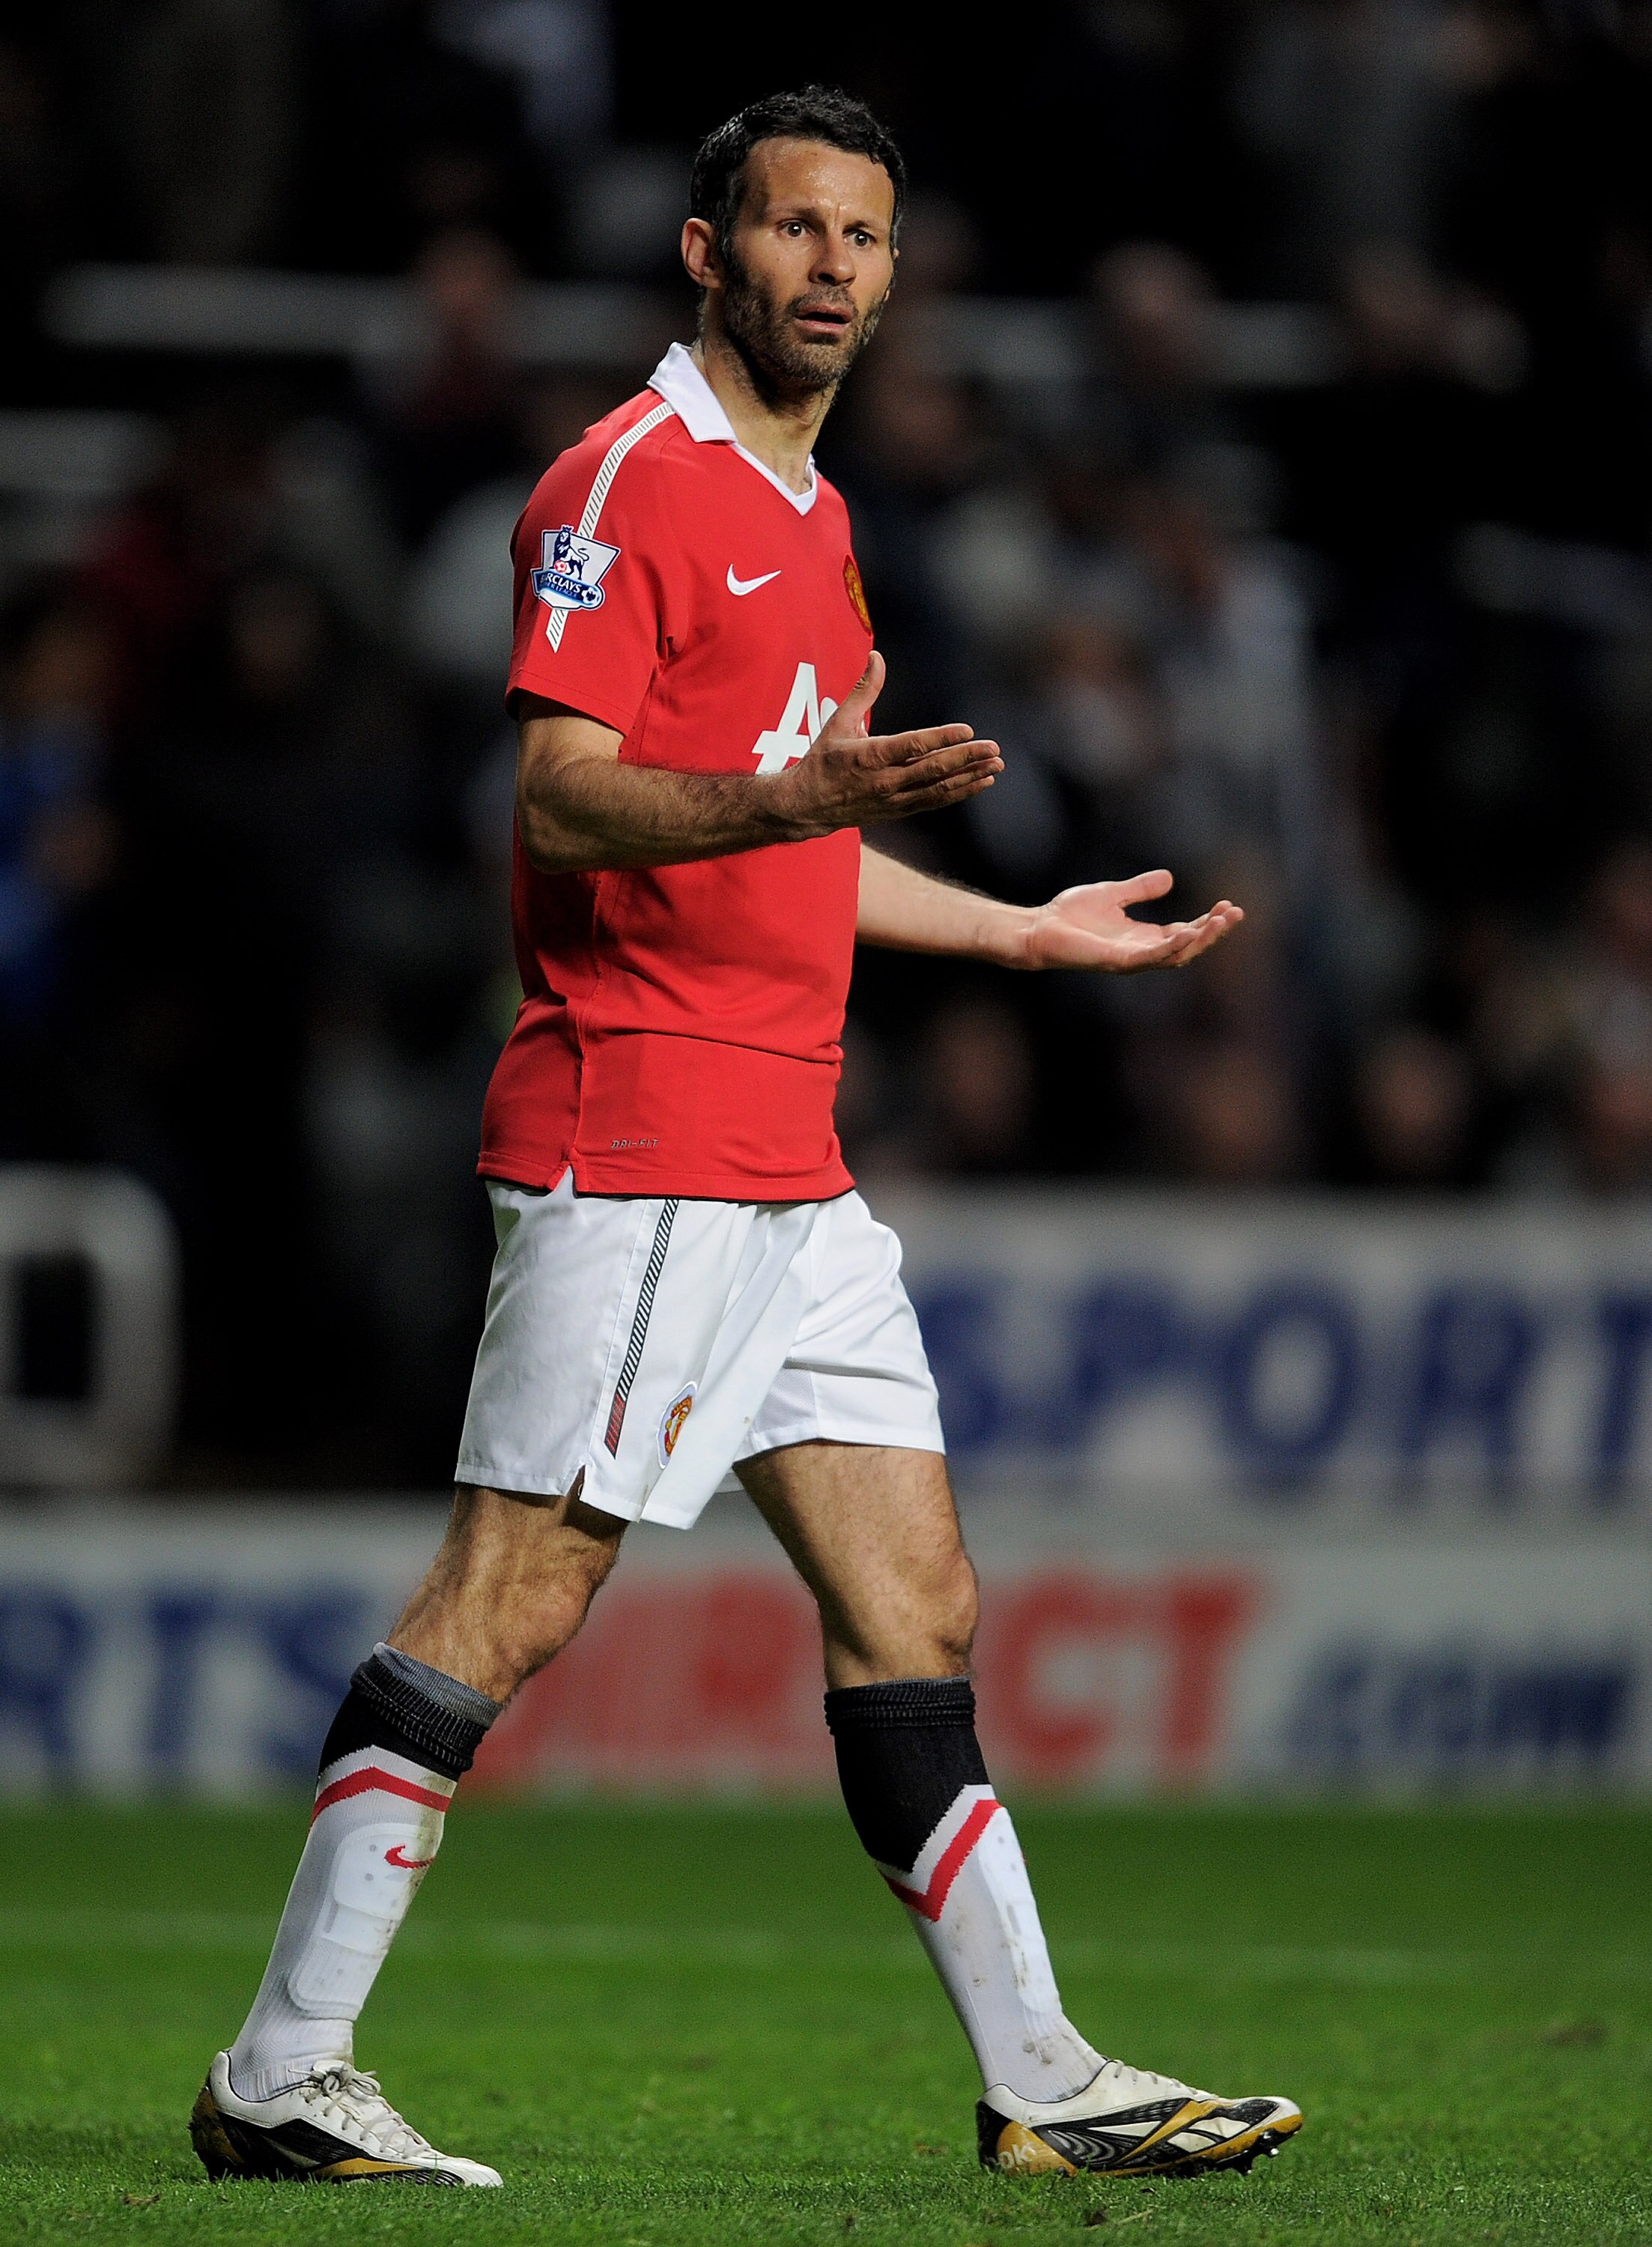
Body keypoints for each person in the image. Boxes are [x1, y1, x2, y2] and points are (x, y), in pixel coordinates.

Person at [189, 85, 1299, 2189]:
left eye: (862, 237)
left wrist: (1023, 933)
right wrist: (799, 800)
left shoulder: (815, 513)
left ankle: (1045, 2080)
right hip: (640, 1128)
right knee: (509, 1598)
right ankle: (281, 2071)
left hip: (788, 1162)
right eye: (794, 228)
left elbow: (810, 839)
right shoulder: (624, 480)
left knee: (920, 1606)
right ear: (709, 250)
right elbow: (565, 795)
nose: (831, 268)